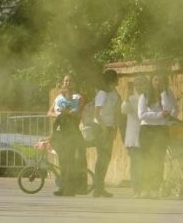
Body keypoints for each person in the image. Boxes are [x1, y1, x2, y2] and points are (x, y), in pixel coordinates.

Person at [138, 73, 177, 198]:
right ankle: (145, 188)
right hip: (147, 130)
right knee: (146, 159)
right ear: (151, 81)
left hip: (161, 130)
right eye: (155, 79)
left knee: (158, 159)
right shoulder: (144, 96)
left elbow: (169, 110)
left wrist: (164, 93)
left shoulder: (167, 95)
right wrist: (158, 115)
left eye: (161, 80)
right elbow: (142, 115)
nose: (158, 82)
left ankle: (155, 188)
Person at [48, 74, 87, 196]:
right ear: (63, 83)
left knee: (71, 161)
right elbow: (49, 112)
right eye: (66, 81)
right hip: (60, 133)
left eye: (70, 81)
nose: (68, 83)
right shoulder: (59, 98)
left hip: (72, 133)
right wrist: (60, 115)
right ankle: (63, 188)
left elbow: (79, 114)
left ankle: (72, 189)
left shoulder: (78, 98)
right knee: (63, 161)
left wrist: (69, 114)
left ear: (74, 84)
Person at [90, 69, 120, 197]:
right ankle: (98, 188)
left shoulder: (114, 93)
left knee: (106, 158)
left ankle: (100, 187)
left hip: (109, 127)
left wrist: (114, 129)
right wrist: (104, 129)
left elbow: (116, 112)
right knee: (102, 158)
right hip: (100, 128)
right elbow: (97, 113)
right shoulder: (102, 94)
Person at [121, 76, 147, 197]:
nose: (139, 86)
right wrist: (126, 97)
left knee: (146, 163)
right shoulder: (131, 99)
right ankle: (136, 188)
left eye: (141, 84)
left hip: (147, 135)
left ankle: (146, 187)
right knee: (136, 163)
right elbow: (124, 110)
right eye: (137, 84)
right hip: (133, 136)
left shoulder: (149, 98)